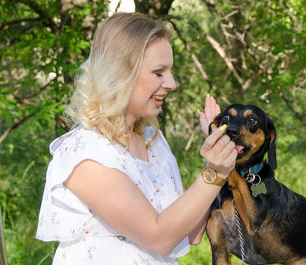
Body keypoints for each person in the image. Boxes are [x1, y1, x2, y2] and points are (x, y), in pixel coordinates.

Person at [36, 12, 237, 265]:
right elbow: (158, 236)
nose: (172, 83)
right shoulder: (84, 154)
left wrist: (217, 154)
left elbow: (192, 231)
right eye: (159, 72)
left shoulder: (152, 140)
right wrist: (214, 171)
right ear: (121, 72)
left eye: (170, 71)